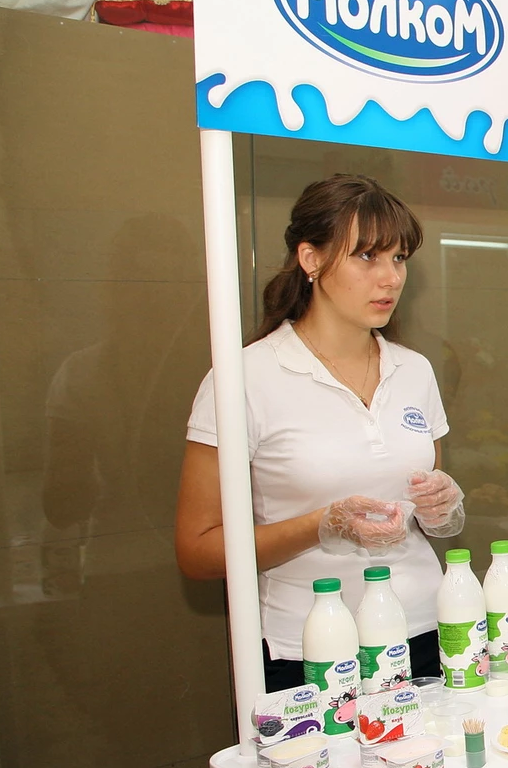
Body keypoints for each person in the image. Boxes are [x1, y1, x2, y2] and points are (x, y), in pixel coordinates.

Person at [174, 174, 465, 690]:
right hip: (311, 649)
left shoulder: (414, 370)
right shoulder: (243, 378)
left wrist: (442, 508)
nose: (391, 278)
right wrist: (322, 525)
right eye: (367, 257)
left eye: (399, 258)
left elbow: (422, 508)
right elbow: (197, 551)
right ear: (311, 259)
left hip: (427, 628)